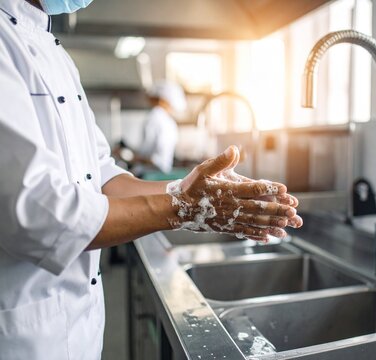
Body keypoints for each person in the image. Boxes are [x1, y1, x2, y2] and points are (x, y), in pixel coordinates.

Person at [0, 0, 303, 359]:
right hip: (22, 338)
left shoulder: (56, 53)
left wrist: (185, 191)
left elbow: (102, 178)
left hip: (77, 331)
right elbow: (41, 213)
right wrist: (184, 208)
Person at [115, 81, 185, 175]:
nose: (149, 100)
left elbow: (154, 158)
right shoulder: (168, 121)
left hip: (151, 174)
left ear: (162, 100)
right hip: (159, 173)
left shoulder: (155, 116)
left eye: (154, 98)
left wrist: (129, 156)